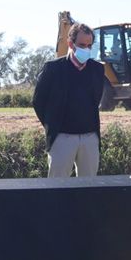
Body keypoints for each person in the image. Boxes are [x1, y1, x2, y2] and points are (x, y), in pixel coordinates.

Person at [33, 21, 107, 177]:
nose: (86, 49)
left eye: (89, 45)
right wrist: (52, 125)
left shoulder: (97, 69)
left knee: (88, 190)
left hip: (90, 138)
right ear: (70, 43)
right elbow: (38, 102)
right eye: (82, 45)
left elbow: (96, 99)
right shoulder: (53, 69)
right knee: (57, 190)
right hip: (62, 138)